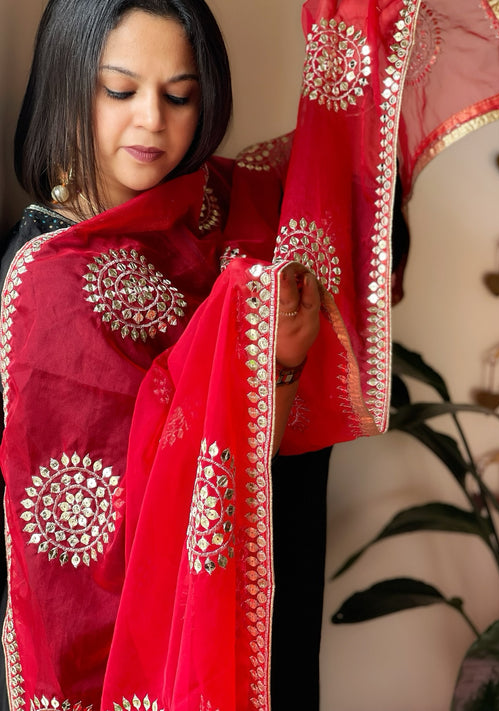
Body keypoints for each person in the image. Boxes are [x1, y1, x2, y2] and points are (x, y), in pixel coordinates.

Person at [0, 0, 420, 709]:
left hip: (244, 616)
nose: (152, 121)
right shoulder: (49, 277)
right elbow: (130, 513)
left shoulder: (217, 209)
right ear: (69, 82)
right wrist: (269, 361)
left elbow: (331, 192)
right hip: (119, 659)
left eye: (179, 96)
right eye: (120, 89)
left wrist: (361, 41)